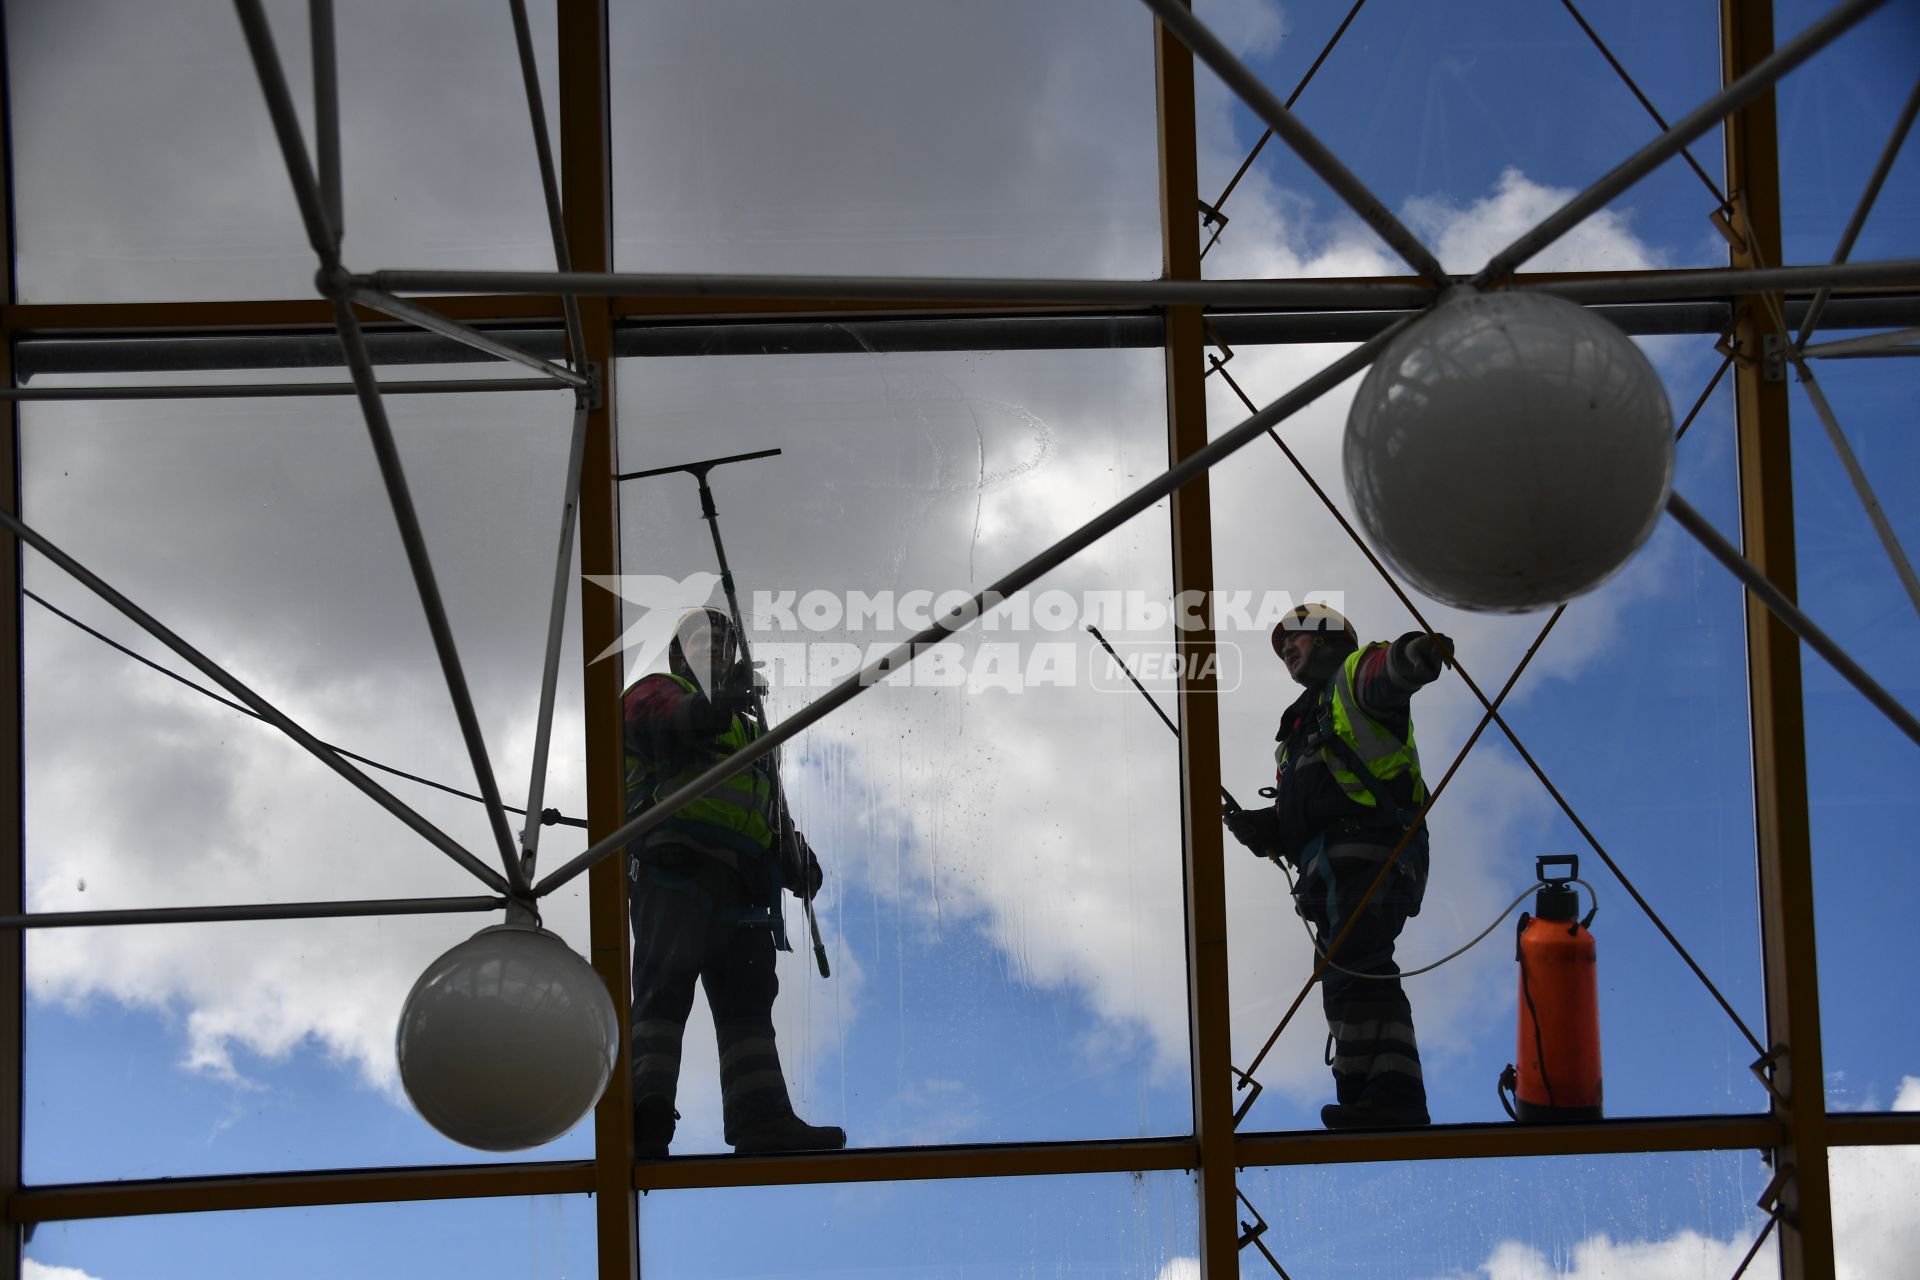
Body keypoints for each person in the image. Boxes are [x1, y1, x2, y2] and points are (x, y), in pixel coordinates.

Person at [622, 606, 845, 1158]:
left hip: (745, 883)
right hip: (676, 866)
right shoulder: (655, 690)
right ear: (681, 652)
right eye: (703, 639)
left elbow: (766, 807)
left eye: (725, 641)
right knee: (663, 989)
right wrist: (714, 705)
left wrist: (794, 856)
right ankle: (642, 1116)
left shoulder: (750, 730)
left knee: (748, 1003)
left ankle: (760, 1118)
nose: (717, 648)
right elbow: (655, 726)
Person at [1225, 604, 1452, 1130]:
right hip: (1332, 862)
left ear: (1328, 640)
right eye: (1283, 649)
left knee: (1354, 966)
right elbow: (1306, 811)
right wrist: (1267, 829)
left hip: (1371, 849)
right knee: (1348, 970)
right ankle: (1368, 1094)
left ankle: (1390, 1098)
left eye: (1296, 641)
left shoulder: (1353, 679)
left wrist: (1416, 654)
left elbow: (1388, 672)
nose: (1287, 651)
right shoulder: (1296, 734)